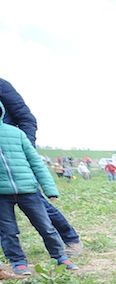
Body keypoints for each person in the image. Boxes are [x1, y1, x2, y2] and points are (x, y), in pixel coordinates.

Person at [0, 78, 83, 256]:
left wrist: (22, 148)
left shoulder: (1, 85)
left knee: (34, 200)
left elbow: (26, 119)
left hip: (13, 158)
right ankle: (14, 256)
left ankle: (70, 239)